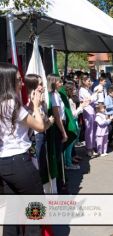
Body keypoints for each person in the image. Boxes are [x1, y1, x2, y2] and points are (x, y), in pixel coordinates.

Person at [0, 63, 46, 235]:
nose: (22, 83)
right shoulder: (11, 103)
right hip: (19, 161)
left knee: (12, 212)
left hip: (5, 162)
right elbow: (40, 126)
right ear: (8, 81)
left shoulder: (4, 103)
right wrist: (35, 105)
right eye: (19, 80)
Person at [79, 75, 102, 157]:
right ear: (84, 82)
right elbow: (90, 99)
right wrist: (96, 92)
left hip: (92, 110)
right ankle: (89, 148)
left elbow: (94, 99)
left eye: (90, 81)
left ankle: (93, 146)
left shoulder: (88, 89)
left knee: (94, 129)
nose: (90, 82)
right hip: (87, 111)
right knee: (89, 130)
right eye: (88, 81)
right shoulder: (82, 90)